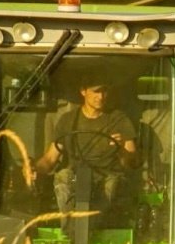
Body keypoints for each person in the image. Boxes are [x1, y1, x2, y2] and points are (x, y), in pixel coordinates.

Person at [32, 79, 139, 222]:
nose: (101, 97)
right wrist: (34, 169)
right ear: (83, 91)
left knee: (110, 187)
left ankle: (84, 230)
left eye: (104, 91)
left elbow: (132, 162)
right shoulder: (68, 120)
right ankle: (72, 228)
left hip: (107, 176)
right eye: (96, 91)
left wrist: (121, 149)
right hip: (76, 177)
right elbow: (50, 158)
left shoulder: (119, 119)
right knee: (63, 176)